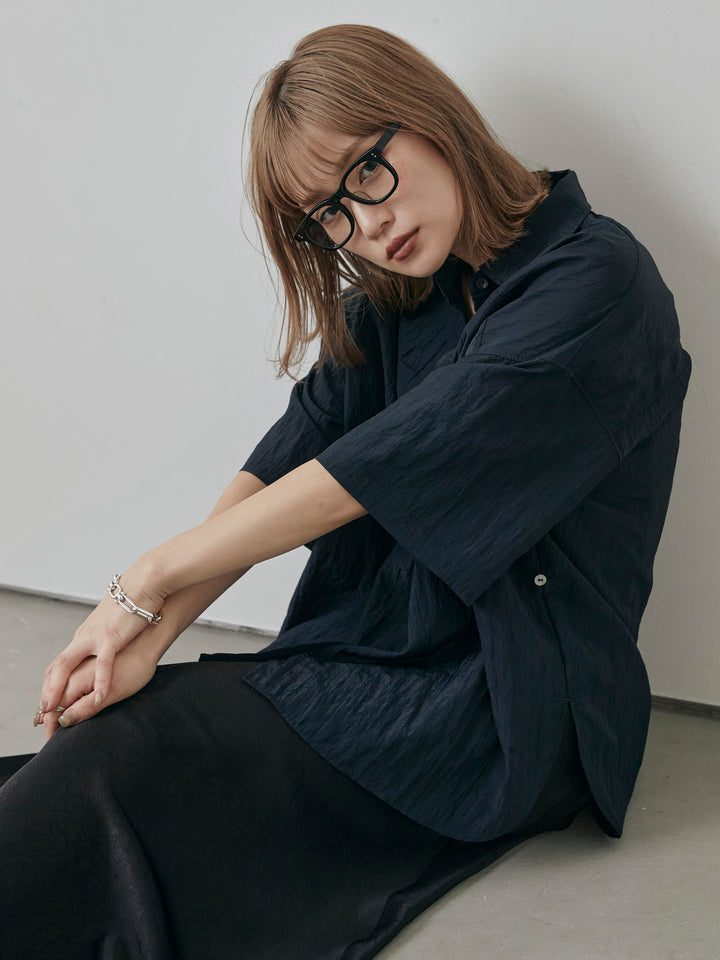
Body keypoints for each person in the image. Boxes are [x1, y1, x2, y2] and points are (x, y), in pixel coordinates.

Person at [0, 23, 690, 960]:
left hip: (511, 704)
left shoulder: (597, 281)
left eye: (368, 171)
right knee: (93, 770)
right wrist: (150, 630)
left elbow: (376, 469)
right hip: (375, 654)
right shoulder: (407, 296)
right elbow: (291, 457)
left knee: (116, 775)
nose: (368, 226)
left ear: (428, 116)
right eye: (331, 213)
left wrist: (145, 579)